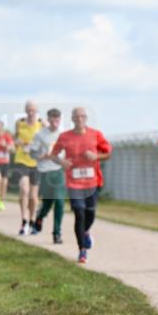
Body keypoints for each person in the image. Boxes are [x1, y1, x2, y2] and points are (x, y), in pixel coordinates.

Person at [51, 108, 112, 263]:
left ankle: (85, 233)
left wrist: (96, 156)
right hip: (74, 182)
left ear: (86, 118)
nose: (79, 119)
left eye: (82, 116)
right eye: (76, 116)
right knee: (79, 213)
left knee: (90, 213)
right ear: (72, 119)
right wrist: (62, 162)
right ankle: (82, 250)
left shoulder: (95, 134)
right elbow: (53, 155)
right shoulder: (65, 137)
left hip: (92, 182)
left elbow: (108, 153)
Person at [30, 108, 67, 244]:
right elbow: (32, 154)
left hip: (58, 170)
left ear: (60, 120)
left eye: (58, 120)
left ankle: (57, 233)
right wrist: (44, 156)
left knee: (59, 201)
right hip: (45, 171)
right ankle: (40, 216)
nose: (55, 123)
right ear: (48, 119)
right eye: (53, 120)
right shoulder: (40, 135)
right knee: (48, 202)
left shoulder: (63, 134)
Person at [12, 101, 43, 234]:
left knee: (33, 196)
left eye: (33, 110)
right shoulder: (19, 123)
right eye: (29, 110)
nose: (31, 113)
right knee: (24, 189)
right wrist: (17, 142)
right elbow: (14, 139)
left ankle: (32, 220)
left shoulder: (41, 124)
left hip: (36, 162)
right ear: (25, 111)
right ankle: (24, 220)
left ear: (36, 111)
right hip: (21, 160)